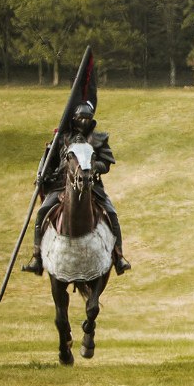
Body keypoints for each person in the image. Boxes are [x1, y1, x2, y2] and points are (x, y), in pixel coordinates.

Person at [22, 102, 130, 276]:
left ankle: (119, 257)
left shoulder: (97, 139)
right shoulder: (61, 138)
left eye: (87, 118)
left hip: (90, 186)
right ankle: (37, 258)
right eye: (81, 118)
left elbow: (106, 164)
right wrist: (43, 175)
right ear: (74, 119)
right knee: (42, 212)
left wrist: (91, 167)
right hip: (61, 185)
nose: (84, 122)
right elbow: (49, 161)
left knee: (111, 213)